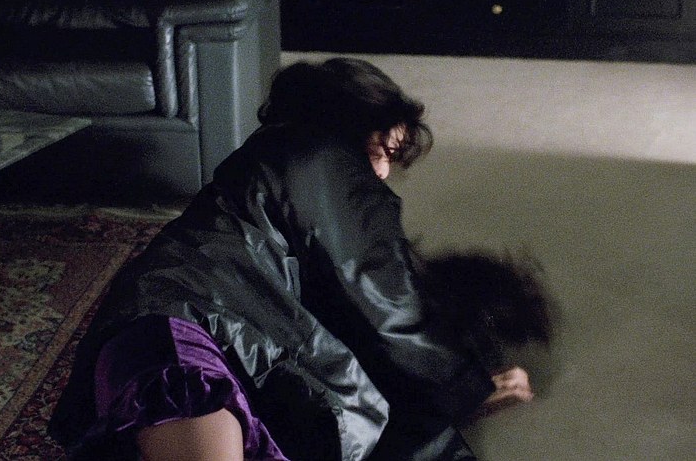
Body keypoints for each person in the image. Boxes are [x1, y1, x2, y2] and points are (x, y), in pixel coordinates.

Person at [48, 57, 540, 460]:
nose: (383, 174)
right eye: (386, 151)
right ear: (359, 122)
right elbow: (381, 296)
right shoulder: (321, 155)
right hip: (187, 343)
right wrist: (463, 385)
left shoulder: (275, 166)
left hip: (167, 346)